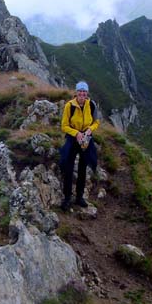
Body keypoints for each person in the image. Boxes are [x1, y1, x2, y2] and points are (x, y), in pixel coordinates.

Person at [60, 81, 99, 210]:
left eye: (84, 92)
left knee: (83, 166)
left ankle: (79, 197)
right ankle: (67, 197)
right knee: (68, 166)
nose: (82, 94)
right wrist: (76, 133)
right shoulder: (69, 106)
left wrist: (90, 129)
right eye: (80, 91)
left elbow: (96, 121)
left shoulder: (91, 105)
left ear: (87, 93)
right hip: (73, 137)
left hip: (86, 138)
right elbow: (64, 126)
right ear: (76, 93)